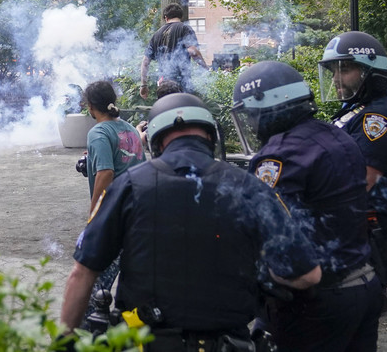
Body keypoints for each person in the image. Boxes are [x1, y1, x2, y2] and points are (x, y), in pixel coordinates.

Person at [61, 93, 322, 350]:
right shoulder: (251, 187)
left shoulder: (128, 186)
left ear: (156, 140)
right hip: (230, 342)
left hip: (147, 342)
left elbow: (82, 272)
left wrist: (64, 342)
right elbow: (308, 275)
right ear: (211, 135)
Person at [233, 61, 381, 352]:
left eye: (252, 114)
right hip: (363, 283)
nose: (251, 123)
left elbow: (269, 234)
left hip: (315, 301)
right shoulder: (337, 134)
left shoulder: (279, 155)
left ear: (271, 108)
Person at [317, 32, 387, 308]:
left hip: (367, 237)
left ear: (370, 71)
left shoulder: (377, 118)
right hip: (355, 233)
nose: (335, 78)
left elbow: (359, 181)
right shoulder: (359, 109)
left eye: (344, 69)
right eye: (334, 70)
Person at [79, 80, 146, 323]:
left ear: (90, 106)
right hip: (139, 215)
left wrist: (94, 215)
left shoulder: (98, 132)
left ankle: (86, 338)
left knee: (94, 287)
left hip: (115, 217)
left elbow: (106, 173)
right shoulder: (129, 129)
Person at [139, 3, 208, 97]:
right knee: (182, 110)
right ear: (181, 17)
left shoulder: (156, 34)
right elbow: (193, 52)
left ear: (166, 18)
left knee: (166, 110)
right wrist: (205, 69)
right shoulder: (185, 28)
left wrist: (144, 85)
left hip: (163, 85)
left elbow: (145, 62)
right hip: (181, 83)